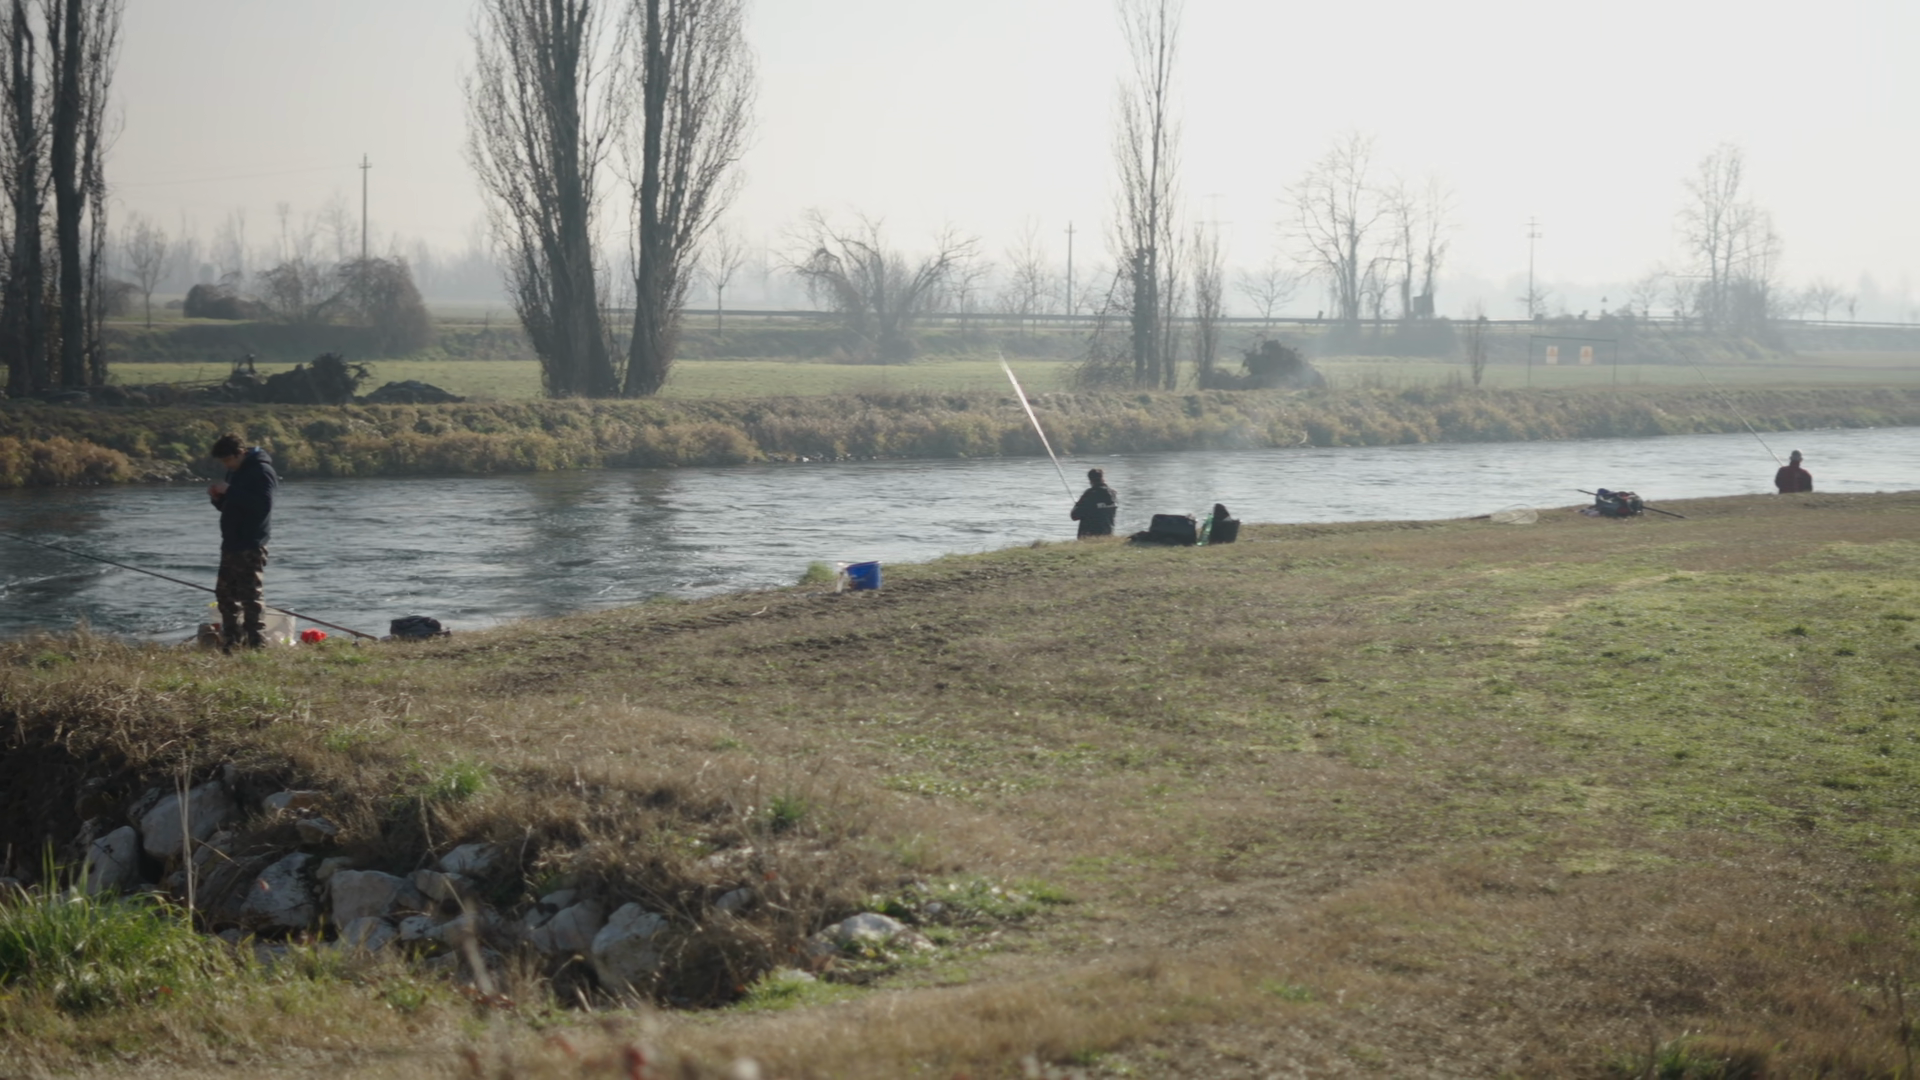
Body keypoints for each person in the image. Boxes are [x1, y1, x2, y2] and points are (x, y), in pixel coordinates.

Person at [207, 432, 278, 650]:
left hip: (251, 543)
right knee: (224, 594)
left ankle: (256, 644)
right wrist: (218, 499)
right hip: (231, 542)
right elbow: (233, 505)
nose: (226, 465)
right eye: (223, 461)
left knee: (250, 596)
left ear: (240, 453)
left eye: (228, 459)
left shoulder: (262, 471)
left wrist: (230, 491)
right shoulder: (234, 472)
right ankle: (231, 641)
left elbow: (262, 506)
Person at [1070, 467, 1117, 538]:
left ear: (1090, 480)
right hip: (1108, 533)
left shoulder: (1090, 494)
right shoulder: (1113, 494)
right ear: (1102, 478)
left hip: (1089, 535)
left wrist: (1077, 505)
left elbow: (1074, 516)